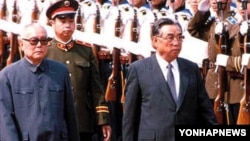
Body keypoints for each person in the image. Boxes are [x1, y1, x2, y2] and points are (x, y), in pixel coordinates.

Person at [122, 18, 218, 141]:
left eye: (179, 37)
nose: (176, 42)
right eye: (170, 37)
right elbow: (130, 117)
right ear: (155, 41)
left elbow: (206, 111)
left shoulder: (191, 69)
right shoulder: (139, 70)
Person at [0, 23, 80, 141]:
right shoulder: (8, 76)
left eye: (44, 41)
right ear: (21, 44)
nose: (39, 45)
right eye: (34, 41)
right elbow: (5, 119)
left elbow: (70, 115)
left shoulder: (60, 71)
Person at [45, 0, 111, 141]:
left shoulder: (85, 51)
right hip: (52, 121)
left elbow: (96, 89)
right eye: (62, 21)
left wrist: (103, 120)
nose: (67, 25)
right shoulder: (45, 51)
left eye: (71, 20)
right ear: (52, 23)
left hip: (81, 122)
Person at [187, 0, 244, 125]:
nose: (214, 1)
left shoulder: (236, 21)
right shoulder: (215, 23)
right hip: (213, 84)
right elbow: (193, 29)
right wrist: (202, 12)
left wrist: (228, 62)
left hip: (232, 84)